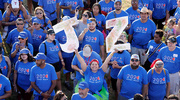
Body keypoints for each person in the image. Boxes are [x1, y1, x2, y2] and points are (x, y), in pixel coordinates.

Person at [55, 16, 74, 91]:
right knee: (58, 69)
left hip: (69, 54)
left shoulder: (72, 30)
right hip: (60, 54)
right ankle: (57, 83)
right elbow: (55, 43)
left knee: (68, 69)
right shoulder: (58, 31)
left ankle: (67, 81)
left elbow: (74, 41)